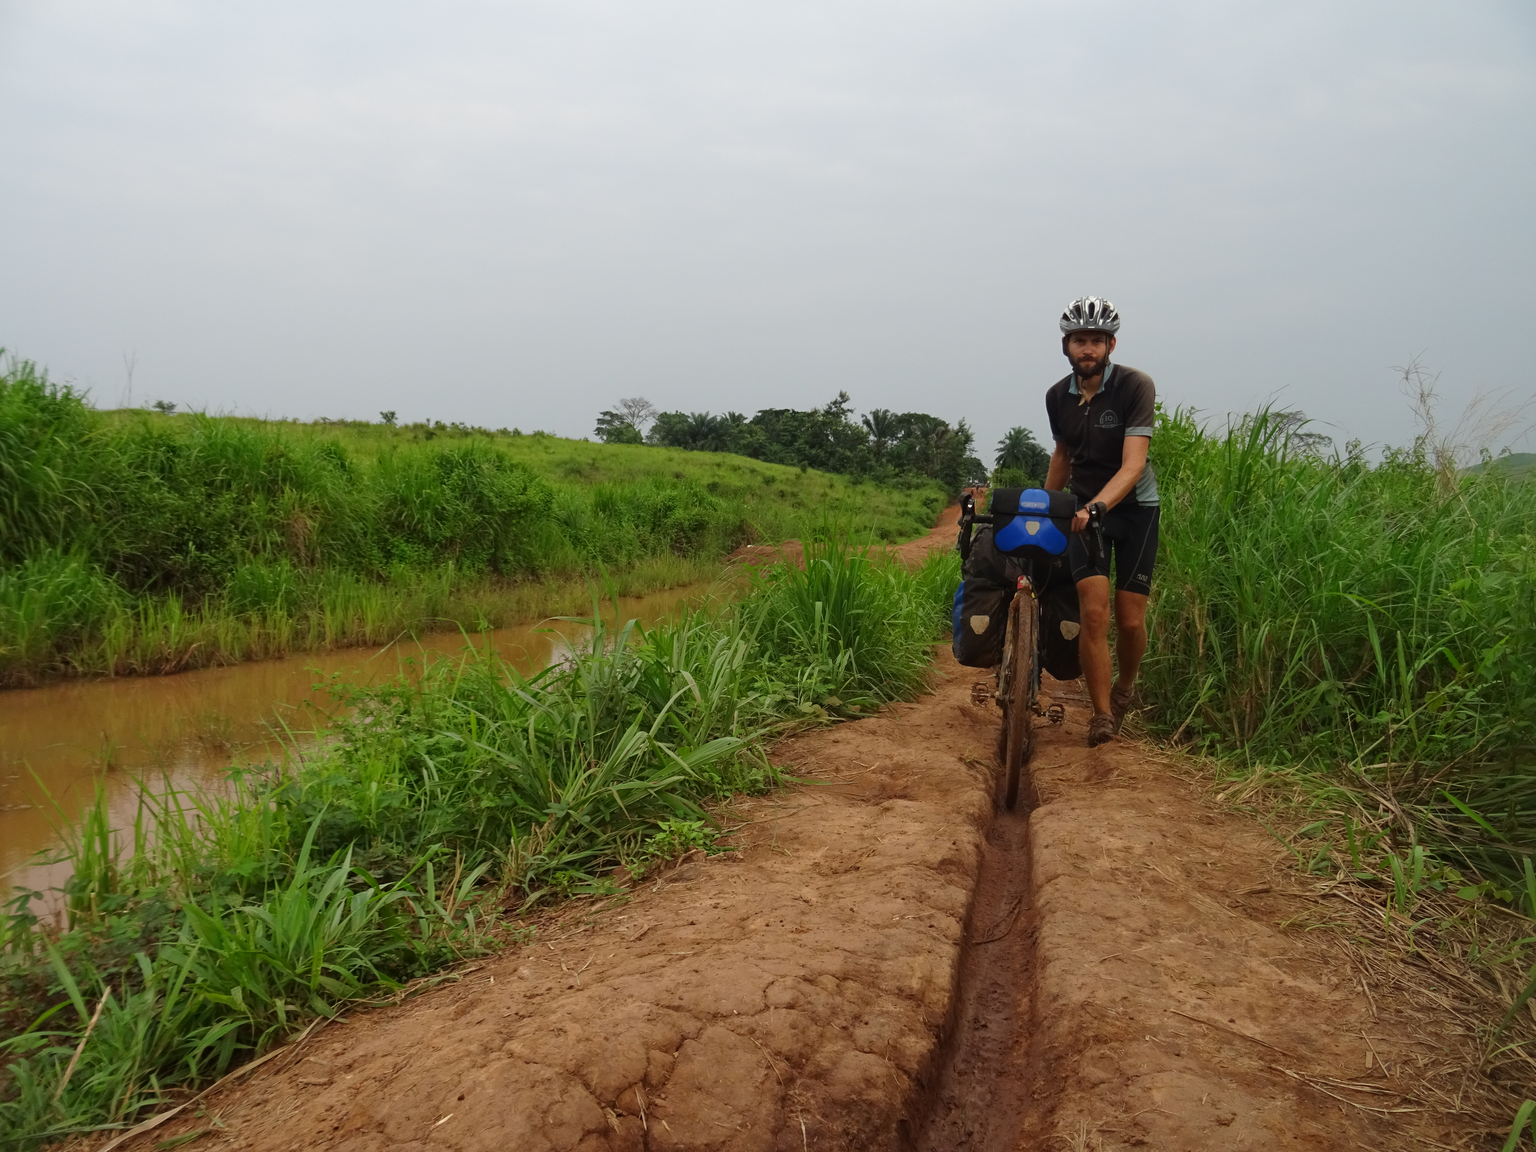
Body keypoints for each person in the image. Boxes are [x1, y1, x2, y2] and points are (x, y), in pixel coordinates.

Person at [1042, 296, 1160, 747]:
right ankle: (1102, 716)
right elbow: (1063, 454)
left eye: (1095, 340)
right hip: (1082, 511)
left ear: (1111, 344)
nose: (1086, 349)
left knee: (1130, 621)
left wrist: (1097, 507)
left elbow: (1132, 467)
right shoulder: (1057, 396)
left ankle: (1124, 688)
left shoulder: (1135, 387)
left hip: (1135, 511)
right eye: (1078, 341)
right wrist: (1047, 506)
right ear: (1065, 345)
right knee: (1093, 615)